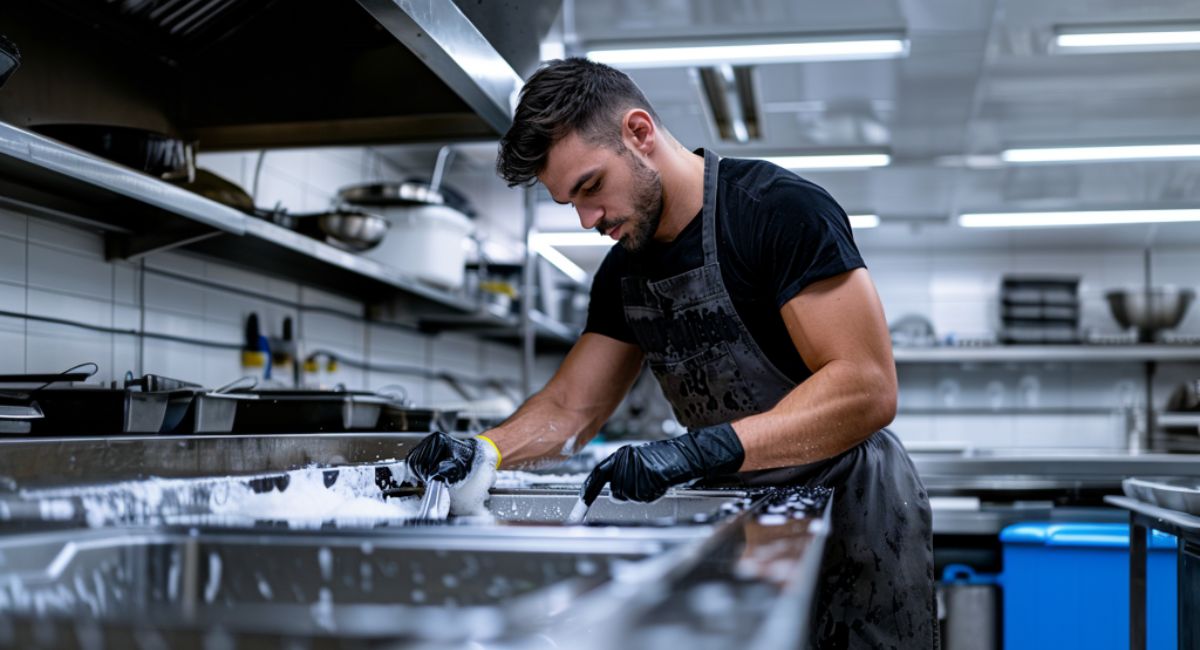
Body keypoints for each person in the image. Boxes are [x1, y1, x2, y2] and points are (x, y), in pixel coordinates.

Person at [406, 57, 935, 649]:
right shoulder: (621, 275)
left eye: (590, 187)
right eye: (569, 204)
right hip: (743, 516)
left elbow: (866, 387)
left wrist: (701, 448)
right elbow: (571, 409)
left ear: (639, 132)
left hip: (853, 515)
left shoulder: (777, 213)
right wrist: (484, 450)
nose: (587, 219)